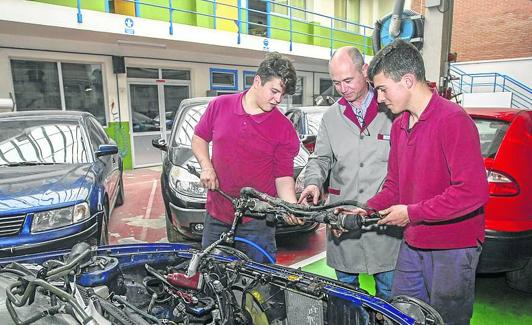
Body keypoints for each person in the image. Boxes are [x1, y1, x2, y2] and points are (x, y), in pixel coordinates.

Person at [359, 39, 489, 324]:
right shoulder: (399, 126)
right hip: (414, 242)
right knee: (403, 314)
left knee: (446, 319)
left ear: (407, 80)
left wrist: (411, 213)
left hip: (453, 248)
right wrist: (364, 208)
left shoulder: (452, 120)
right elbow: (394, 186)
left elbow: (472, 192)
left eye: (382, 89)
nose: (379, 98)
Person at [297, 46, 400, 300]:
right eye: (336, 83)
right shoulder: (331, 117)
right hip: (342, 221)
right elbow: (320, 158)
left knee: (388, 295)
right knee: (346, 297)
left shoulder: (393, 110)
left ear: (364, 71)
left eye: (348, 80)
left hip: (382, 223)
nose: (343, 89)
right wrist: (312, 183)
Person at [192, 52, 300, 263]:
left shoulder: (283, 128)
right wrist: (206, 166)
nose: (278, 99)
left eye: (282, 95)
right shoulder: (220, 106)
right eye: (274, 91)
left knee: (259, 286)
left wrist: (291, 207)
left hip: (258, 223)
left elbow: (283, 176)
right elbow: (199, 138)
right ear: (257, 81)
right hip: (217, 215)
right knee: (212, 277)